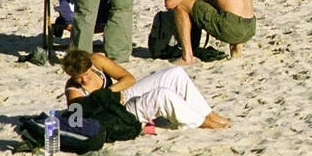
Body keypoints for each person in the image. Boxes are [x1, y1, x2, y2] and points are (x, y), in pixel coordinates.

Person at [62, 50, 230, 129]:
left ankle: (208, 113)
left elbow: (129, 78)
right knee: (163, 95)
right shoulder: (73, 90)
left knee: (175, 73)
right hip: (118, 112)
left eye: (86, 74)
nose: (84, 80)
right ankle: (203, 122)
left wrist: (110, 92)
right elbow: (85, 118)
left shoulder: (97, 61)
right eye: (78, 77)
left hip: (122, 95)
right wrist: (106, 99)